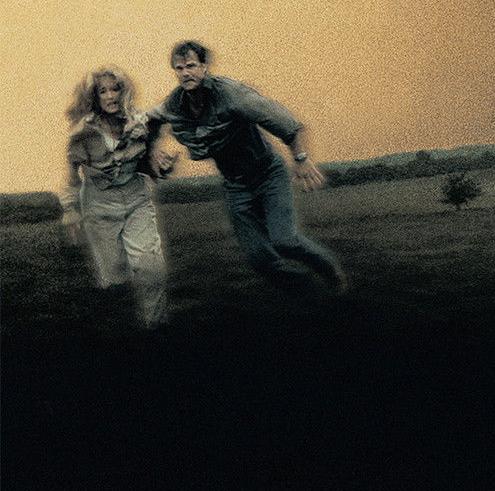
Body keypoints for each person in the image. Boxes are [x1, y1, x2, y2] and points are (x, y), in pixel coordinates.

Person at [148, 41, 347, 298]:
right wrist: (153, 150)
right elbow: (150, 121)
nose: (185, 73)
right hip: (236, 186)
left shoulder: (231, 94)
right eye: (179, 68)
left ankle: (329, 271)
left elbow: (280, 119)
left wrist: (301, 158)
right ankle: (311, 294)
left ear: (204, 67)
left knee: (284, 241)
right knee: (259, 260)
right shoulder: (174, 104)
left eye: (191, 65)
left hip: (268, 175)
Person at [60, 66, 172, 329]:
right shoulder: (82, 133)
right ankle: (115, 315)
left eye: (115, 89)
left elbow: (149, 162)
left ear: (124, 91)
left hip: (136, 198)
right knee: (114, 279)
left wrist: (161, 166)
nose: (110, 96)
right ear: (94, 96)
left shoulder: (140, 123)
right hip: (99, 204)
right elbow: (72, 177)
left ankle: (155, 328)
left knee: (150, 266)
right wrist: (71, 210)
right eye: (103, 91)